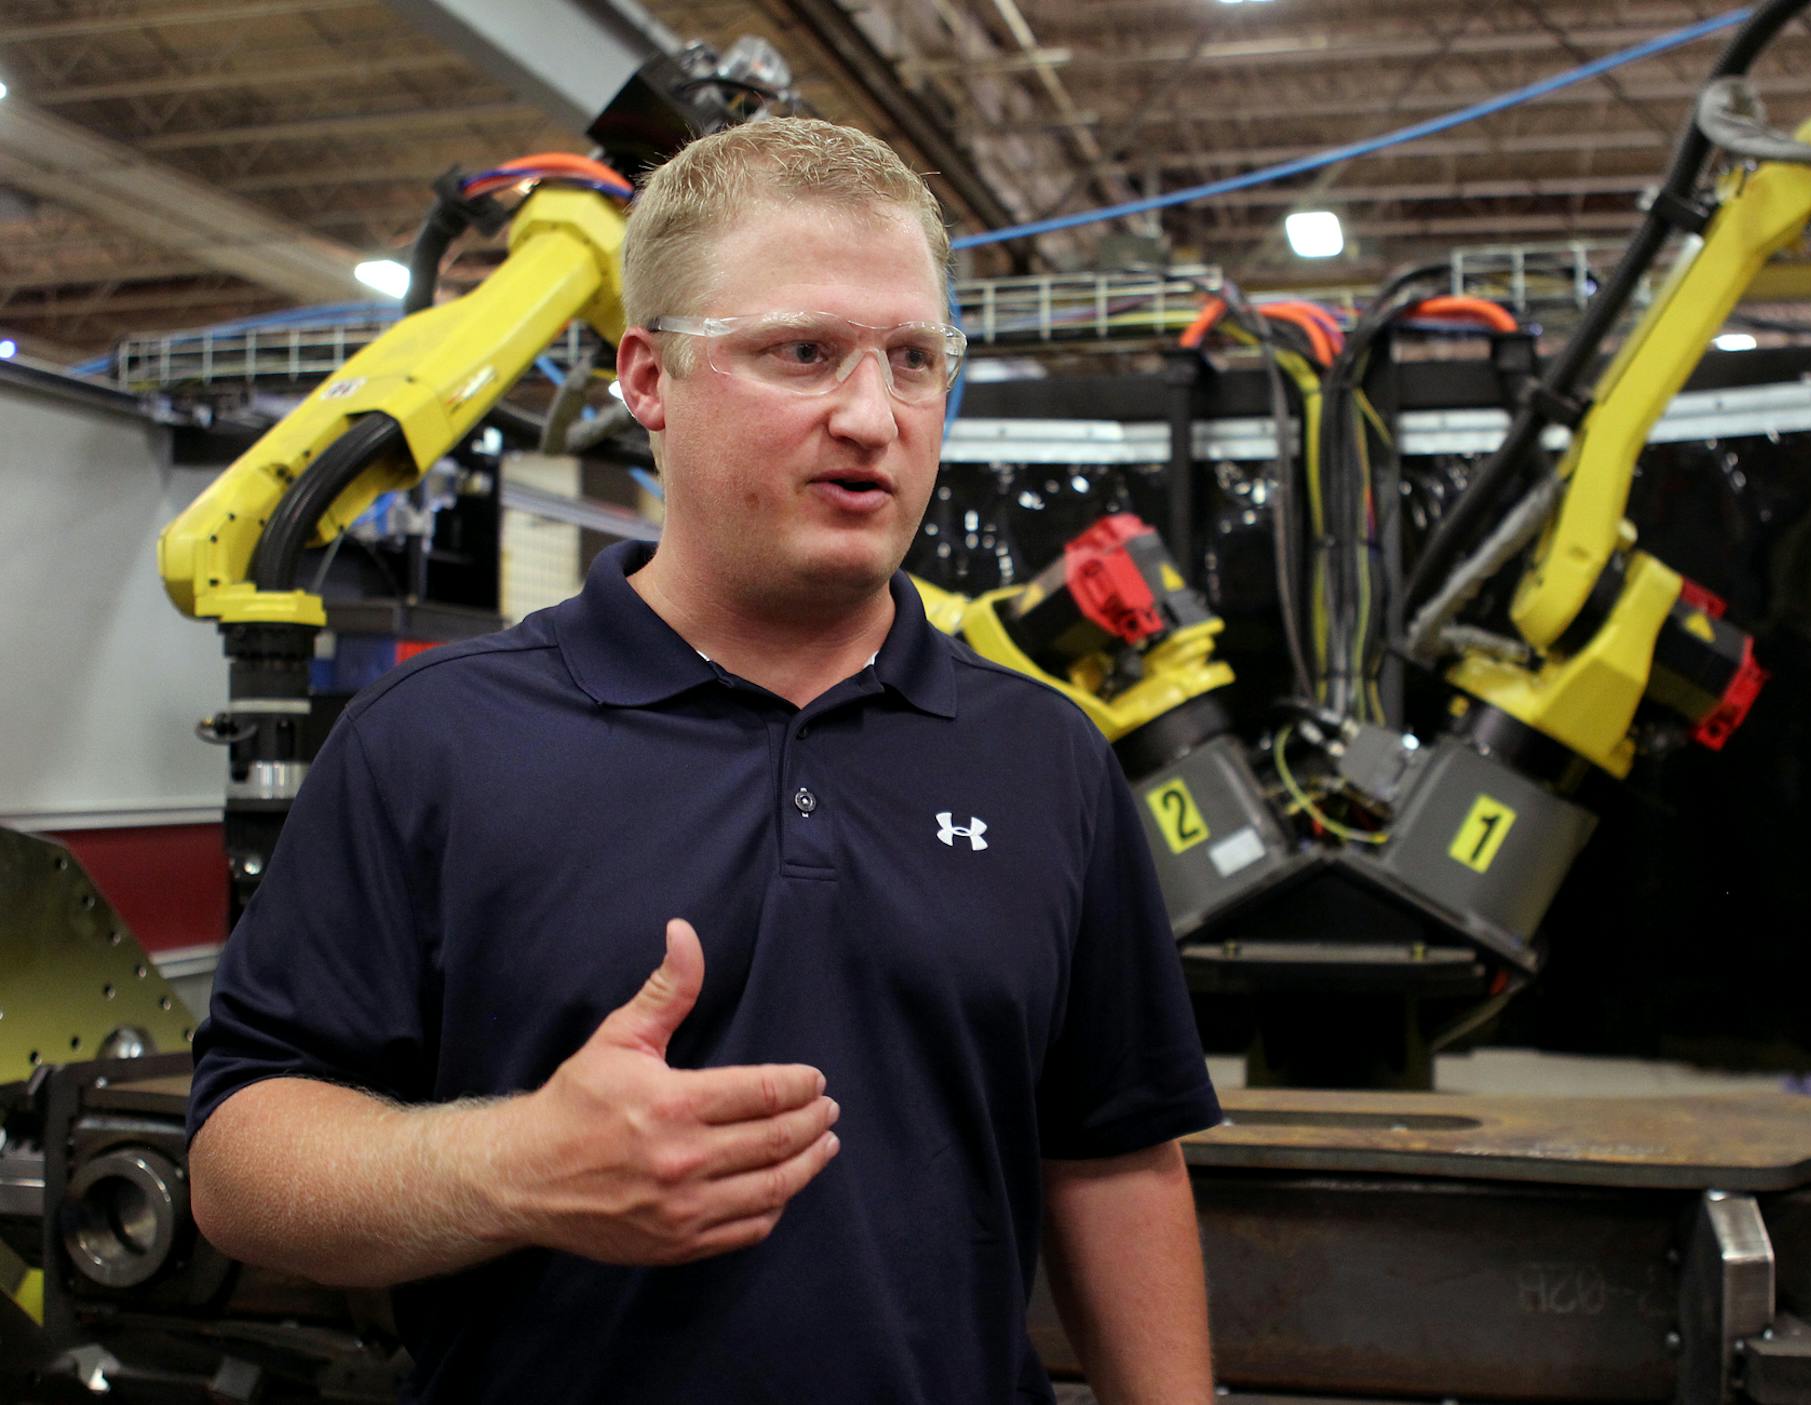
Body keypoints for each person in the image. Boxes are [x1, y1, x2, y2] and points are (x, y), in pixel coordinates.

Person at [186, 117, 1221, 1403]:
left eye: (913, 358)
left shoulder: (1045, 759)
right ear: (649, 377)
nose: (871, 414)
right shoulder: (436, 743)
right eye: (802, 352)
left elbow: (1113, 1157)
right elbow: (237, 1165)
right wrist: (514, 1165)